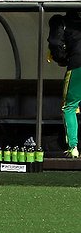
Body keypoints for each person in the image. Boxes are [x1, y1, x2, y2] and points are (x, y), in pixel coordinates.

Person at [49, 9, 81, 157]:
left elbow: (56, 44)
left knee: (70, 107)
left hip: (77, 65)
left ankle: (73, 148)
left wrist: (62, 59)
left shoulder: (63, 22)